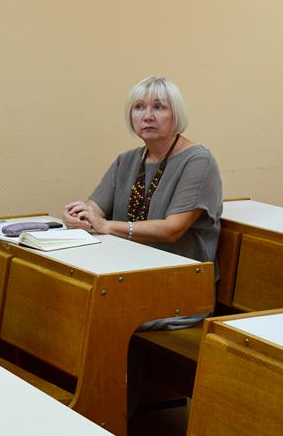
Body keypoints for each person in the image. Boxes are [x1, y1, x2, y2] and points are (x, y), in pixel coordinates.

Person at [63, 76, 222, 330]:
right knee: (62, 302)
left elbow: (172, 230)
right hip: (123, 277)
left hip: (176, 290)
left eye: (158, 107)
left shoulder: (198, 161)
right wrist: (80, 215)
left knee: (87, 316)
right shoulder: (126, 161)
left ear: (176, 114)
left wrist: (107, 226)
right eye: (139, 107)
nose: (147, 116)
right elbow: (95, 206)